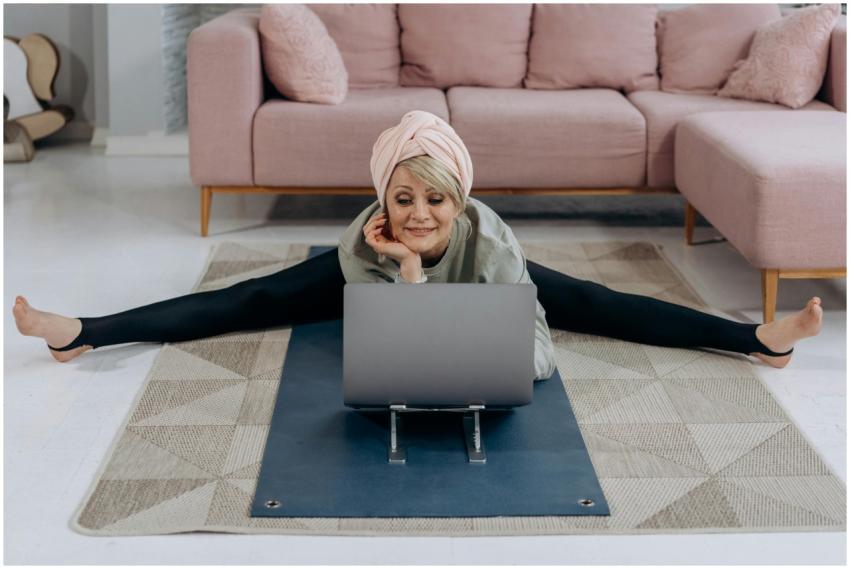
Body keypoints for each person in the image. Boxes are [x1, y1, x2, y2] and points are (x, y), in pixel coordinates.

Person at [14, 110, 822, 378]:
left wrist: (468, 315)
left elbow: (539, 359)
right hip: (373, 275)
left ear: (460, 201)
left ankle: (759, 340)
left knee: (599, 303)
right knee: (249, 299)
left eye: (436, 199)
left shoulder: (489, 241)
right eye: (403, 199)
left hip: (479, 278)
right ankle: (84, 331)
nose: (420, 215)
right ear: (382, 200)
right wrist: (403, 270)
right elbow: (396, 351)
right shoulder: (364, 244)